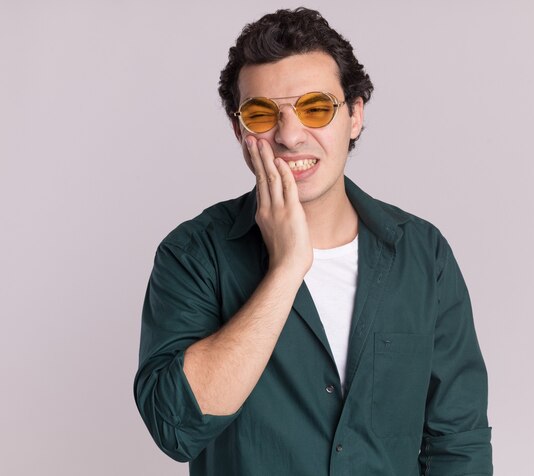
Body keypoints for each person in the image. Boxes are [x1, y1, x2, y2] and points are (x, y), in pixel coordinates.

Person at [134, 7, 492, 476]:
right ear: (240, 130)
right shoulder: (194, 254)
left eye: (316, 108)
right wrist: (286, 270)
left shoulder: (423, 255)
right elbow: (175, 427)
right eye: (262, 114)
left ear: (355, 116)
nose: (289, 135)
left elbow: (458, 442)